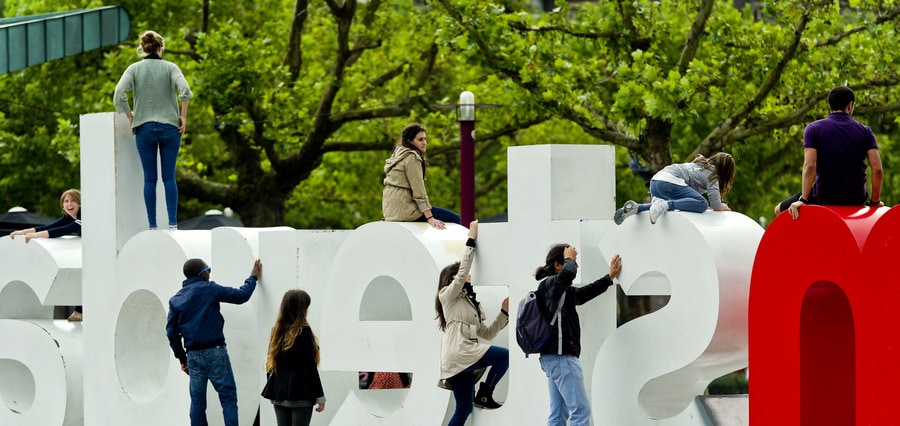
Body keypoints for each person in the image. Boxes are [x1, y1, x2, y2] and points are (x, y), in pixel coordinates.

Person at [166, 258, 262, 426]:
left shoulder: (175, 299)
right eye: (208, 269)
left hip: (193, 355)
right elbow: (241, 296)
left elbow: (171, 333)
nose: (209, 273)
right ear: (202, 273)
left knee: (197, 401)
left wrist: (182, 359)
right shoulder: (209, 289)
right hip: (215, 351)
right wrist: (253, 277)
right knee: (228, 397)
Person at [114, 30, 193, 230]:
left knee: (150, 178)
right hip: (169, 127)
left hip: (144, 129)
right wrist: (182, 116)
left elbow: (118, 94)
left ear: (143, 48)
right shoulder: (171, 67)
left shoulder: (134, 69)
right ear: (160, 48)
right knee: (169, 177)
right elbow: (185, 90)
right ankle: (173, 224)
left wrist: (131, 116)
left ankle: (152, 225)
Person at [536, 244, 621, 426]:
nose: (576, 266)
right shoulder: (552, 284)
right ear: (559, 265)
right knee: (580, 412)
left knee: (558, 414)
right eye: (572, 261)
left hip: (553, 359)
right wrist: (571, 259)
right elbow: (568, 274)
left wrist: (609, 278)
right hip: (562, 358)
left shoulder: (557, 290)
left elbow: (582, 295)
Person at [436, 220, 509, 425]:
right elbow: (460, 276)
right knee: (505, 356)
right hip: (459, 353)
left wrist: (504, 312)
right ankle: (485, 393)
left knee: (464, 409)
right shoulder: (447, 295)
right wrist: (471, 240)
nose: (468, 275)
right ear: (450, 279)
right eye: (460, 274)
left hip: (466, 355)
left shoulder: (471, 303)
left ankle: (484, 395)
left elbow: (487, 333)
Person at [773, 86, 883, 220]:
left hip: (824, 197)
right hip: (856, 198)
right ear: (850, 105)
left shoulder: (813, 129)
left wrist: (804, 199)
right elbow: (877, 169)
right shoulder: (865, 132)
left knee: (779, 210)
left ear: (830, 105)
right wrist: (875, 201)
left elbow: (809, 166)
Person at [614, 152, 735, 225]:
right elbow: (715, 203)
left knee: (675, 205)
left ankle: (636, 208)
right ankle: (662, 205)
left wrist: (693, 204)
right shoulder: (713, 173)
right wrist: (721, 206)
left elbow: (687, 198)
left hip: (656, 181)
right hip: (669, 182)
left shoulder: (699, 165)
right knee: (703, 203)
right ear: (726, 172)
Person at [262, 289, 326, 426]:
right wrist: (320, 396)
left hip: (279, 392)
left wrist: (275, 385)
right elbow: (309, 368)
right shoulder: (303, 331)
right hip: (300, 393)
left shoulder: (276, 331)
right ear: (301, 309)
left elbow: (270, 363)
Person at [383, 123, 461, 230]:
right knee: (455, 218)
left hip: (391, 211)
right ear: (410, 141)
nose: (424, 143)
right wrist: (430, 217)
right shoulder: (412, 157)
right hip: (406, 210)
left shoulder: (398, 154)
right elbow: (419, 191)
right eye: (420, 140)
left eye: (425, 139)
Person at [9, 189, 82, 243]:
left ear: (80, 203)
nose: (69, 204)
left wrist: (36, 235)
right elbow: (47, 227)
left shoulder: (83, 216)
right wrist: (22, 232)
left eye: (73, 200)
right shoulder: (68, 217)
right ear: (62, 206)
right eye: (66, 201)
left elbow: (64, 230)